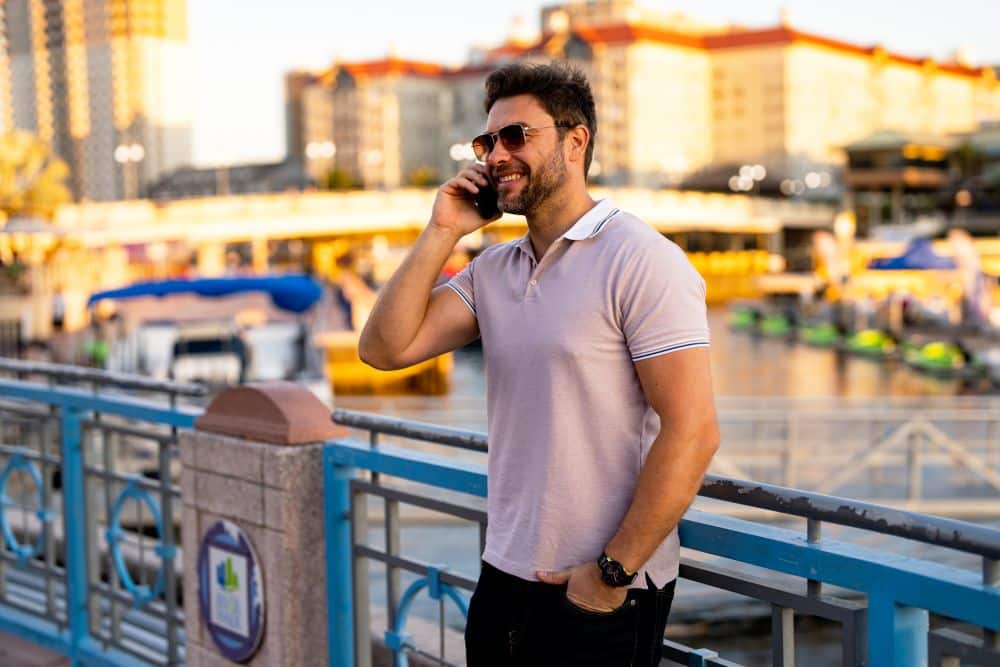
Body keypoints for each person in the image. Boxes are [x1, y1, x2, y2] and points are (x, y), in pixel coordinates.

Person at [359, 62, 719, 666]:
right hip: (504, 574)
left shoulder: (643, 260)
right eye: (488, 142)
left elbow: (694, 431)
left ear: (575, 141)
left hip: (601, 590)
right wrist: (443, 229)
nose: (497, 155)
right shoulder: (494, 270)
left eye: (516, 136)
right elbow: (385, 349)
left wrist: (609, 574)